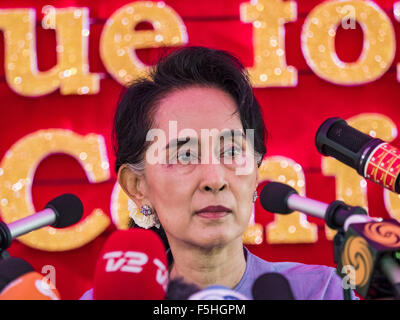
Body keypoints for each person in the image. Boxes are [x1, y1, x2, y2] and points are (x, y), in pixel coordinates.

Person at [80, 46, 356, 300]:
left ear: (256, 172)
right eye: (185, 155)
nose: (215, 180)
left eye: (231, 152)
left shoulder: (323, 292)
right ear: (137, 186)